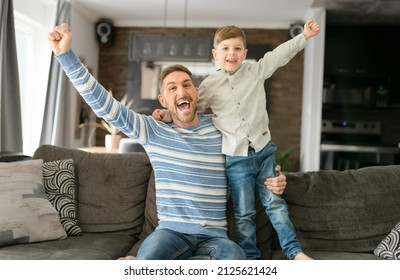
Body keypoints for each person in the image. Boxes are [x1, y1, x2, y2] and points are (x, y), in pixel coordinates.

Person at [47, 23, 288, 260]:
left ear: (197, 92)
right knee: (148, 261)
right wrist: (65, 55)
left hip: (215, 238)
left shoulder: (221, 127)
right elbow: (106, 107)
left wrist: (274, 175)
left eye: (186, 85)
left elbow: (252, 155)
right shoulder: (154, 130)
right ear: (163, 100)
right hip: (169, 234)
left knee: (235, 259)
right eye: (172, 88)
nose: (181, 92)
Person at [153, 20, 320, 260]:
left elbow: (280, 55)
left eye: (238, 48)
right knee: (244, 213)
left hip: (264, 152)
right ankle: (250, 260)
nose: (232, 53)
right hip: (236, 159)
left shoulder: (256, 71)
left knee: (275, 204)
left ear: (245, 53)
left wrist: (303, 36)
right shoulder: (208, 86)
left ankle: (294, 252)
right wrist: (167, 115)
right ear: (215, 54)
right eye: (226, 48)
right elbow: (189, 108)